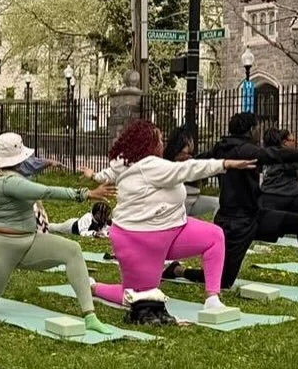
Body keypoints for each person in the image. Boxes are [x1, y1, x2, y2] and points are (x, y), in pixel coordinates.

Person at [0, 132, 114, 333]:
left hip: (28, 242)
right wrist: (86, 193)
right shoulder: (10, 181)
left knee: (72, 250)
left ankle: (89, 315)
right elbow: (46, 192)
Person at [89, 119, 253, 321]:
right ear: (148, 144)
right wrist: (224, 164)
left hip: (174, 228)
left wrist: (93, 175)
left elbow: (107, 173)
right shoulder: (151, 166)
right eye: (159, 139)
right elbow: (187, 169)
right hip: (137, 239)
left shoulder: (127, 162)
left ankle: (212, 298)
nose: (162, 143)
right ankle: (94, 287)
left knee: (214, 236)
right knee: (137, 296)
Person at [204, 112, 298, 296]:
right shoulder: (246, 151)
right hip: (237, 225)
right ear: (251, 129)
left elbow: (197, 160)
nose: (259, 133)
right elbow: (276, 154)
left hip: (254, 216)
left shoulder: (221, 148)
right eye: (257, 128)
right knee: (223, 280)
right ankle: (178, 270)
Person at [163, 127, 219, 219]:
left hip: (191, 199)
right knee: (217, 203)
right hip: (185, 200)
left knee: (217, 203)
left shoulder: (167, 157)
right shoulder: (184, 160)